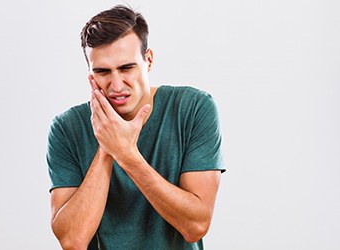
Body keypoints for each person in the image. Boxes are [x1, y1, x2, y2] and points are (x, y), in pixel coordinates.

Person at [46, 4, 225, 250]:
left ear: (148, 60)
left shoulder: (193, 108)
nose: (116, 85)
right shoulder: (66, 128)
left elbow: (195, 226)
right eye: (102, 72)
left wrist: (126, 154)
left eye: (126, 68)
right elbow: (73, 240)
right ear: (90, 74)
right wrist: (106, 146)